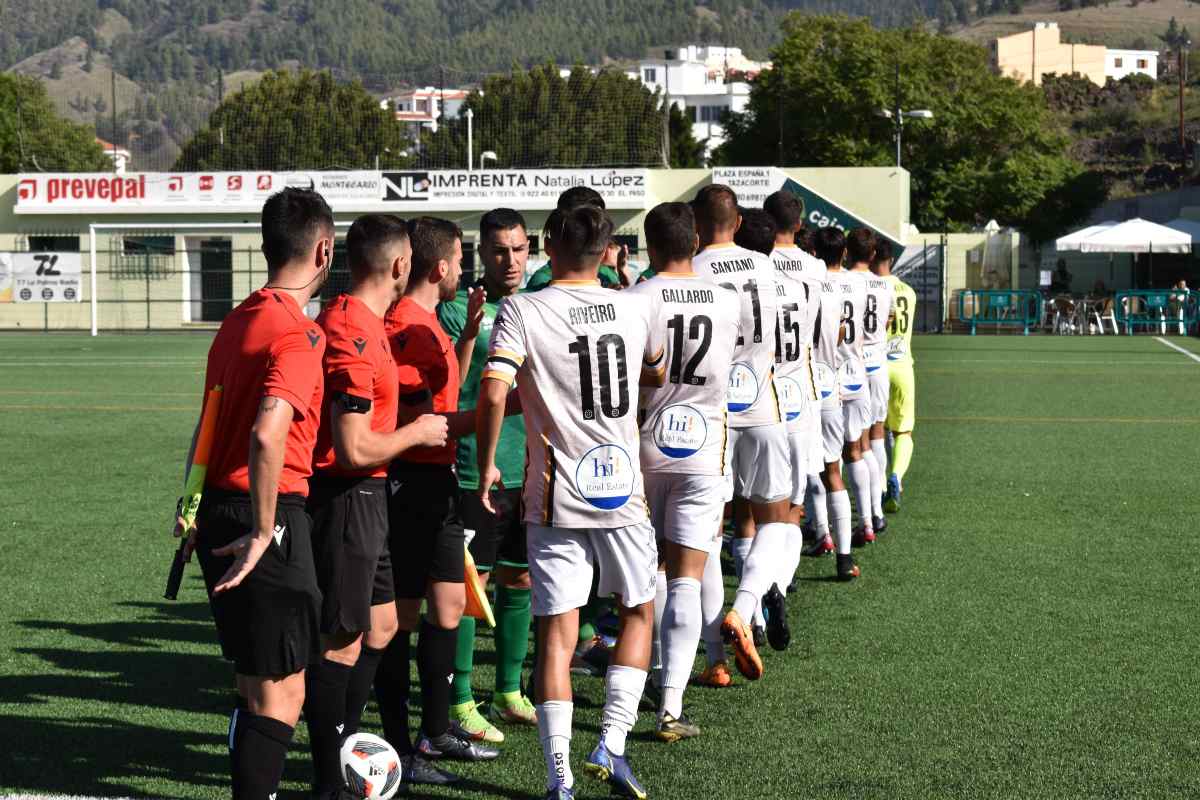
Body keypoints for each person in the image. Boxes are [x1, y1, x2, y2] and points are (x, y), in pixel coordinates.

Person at [475, 203, 665, 800]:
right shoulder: (635, 307)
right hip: (621, 493)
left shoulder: (523, 310)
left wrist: (485, 466)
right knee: (638, 611)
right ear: (608, 251)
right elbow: (656, 374)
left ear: (548, 245)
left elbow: (492, 388)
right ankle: (610, 741)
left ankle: (559, 781)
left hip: (554, 496)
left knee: (556, 636)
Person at [175, 187, 332, 800]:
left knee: (250, 682)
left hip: (217, 508)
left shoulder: (238, 318)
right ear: (323, 250)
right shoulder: (296, 333)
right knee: (281, 691)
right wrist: (267, 530)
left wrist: (191, 509)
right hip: (265, 514)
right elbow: (268, 434)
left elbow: (207, 422)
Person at [304, 214, 450, 797]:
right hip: (346, 496)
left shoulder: (365, 323)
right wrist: (417, 435)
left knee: (383, 625)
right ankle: (329, 775)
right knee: (341, 640)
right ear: (399, 266)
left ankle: (345, 742)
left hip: (372, 496)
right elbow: (353, 446)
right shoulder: (350, 332)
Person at [374, 217, 500, 786]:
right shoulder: (405, 327)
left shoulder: (431, 325)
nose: (464, 268)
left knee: (449, 606)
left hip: (439, 483)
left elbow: (447, 391)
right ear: (441, 267)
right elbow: (427, 420)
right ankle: (401, 745)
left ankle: (438, 726)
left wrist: (469, 335)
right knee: (401, 620)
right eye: (460, 257)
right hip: (411, 486)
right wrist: (507, 408)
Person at [626, 202, 741, 739]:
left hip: (646, 441)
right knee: (688, 578)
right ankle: (670, 704)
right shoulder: (726, 298)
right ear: (695, 241)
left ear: (650, 244)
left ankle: (643, 675)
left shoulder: (634, 299)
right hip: (702, 445)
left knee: (648, 572)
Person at [437, 208, 538, 742]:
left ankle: (508, 691)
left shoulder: (537, 305)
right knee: (471, 586)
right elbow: (451, 390)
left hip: (529, 467)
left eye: (519, 248)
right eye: (500, 250)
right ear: (482, 253)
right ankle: (460, 700)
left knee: (518, 577)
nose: (511, 259)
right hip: (478, 467)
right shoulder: (458, 310)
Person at [690, 184, 789, 680]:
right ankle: (745, 610)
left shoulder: (692, 271)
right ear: (737, 221)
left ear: (697, 221)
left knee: (708, 531)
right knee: (777, 519)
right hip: (764, 405)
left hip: (713, 414)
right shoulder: (769, 267)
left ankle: (714, 658)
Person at [764, 191, 827, 593]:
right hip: (801, 387)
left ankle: (762, 586)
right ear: (800, 225)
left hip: (759, 390)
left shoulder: (757, 263)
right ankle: (778, 585)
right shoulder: (815, 267)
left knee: (754, 505)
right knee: (793, 501)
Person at [811, 227, 861, 581]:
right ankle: (844, 557)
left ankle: (819, 535)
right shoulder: (857, 284)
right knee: (834, 468)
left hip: (794, 385)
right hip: (837, 377)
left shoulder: (806, 282)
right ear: (843, 253)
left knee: (793, 481)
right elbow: (843, 332)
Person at [850, 233, 894, 538]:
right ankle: (876, 504)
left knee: (854, 446)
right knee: (877, 432)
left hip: (852, 365)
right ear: (875, 252)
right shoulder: (885, 284)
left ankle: (867, 512)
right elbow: (888, 321)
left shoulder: (842, 281)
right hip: (878, 362)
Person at [837, 229, 877, 547]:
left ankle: (825, 528)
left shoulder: (821, 284)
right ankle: (867, 520)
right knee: (857, 450)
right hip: (858, 372)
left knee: (827, 463)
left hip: (830, 378)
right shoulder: (863, 284)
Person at [873, 243, 917, 513]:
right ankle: (896, 478)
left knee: (876, 433)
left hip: (875, 367)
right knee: (904, 431)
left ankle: (878, 486)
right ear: (891, 259)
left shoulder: (869, 288)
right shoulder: (908, 292)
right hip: (902, 366)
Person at [525, 187, 623, 291]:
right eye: (584, 219)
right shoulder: (542, 280)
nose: (592, 226)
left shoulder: (607, 274)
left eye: (598, 219)